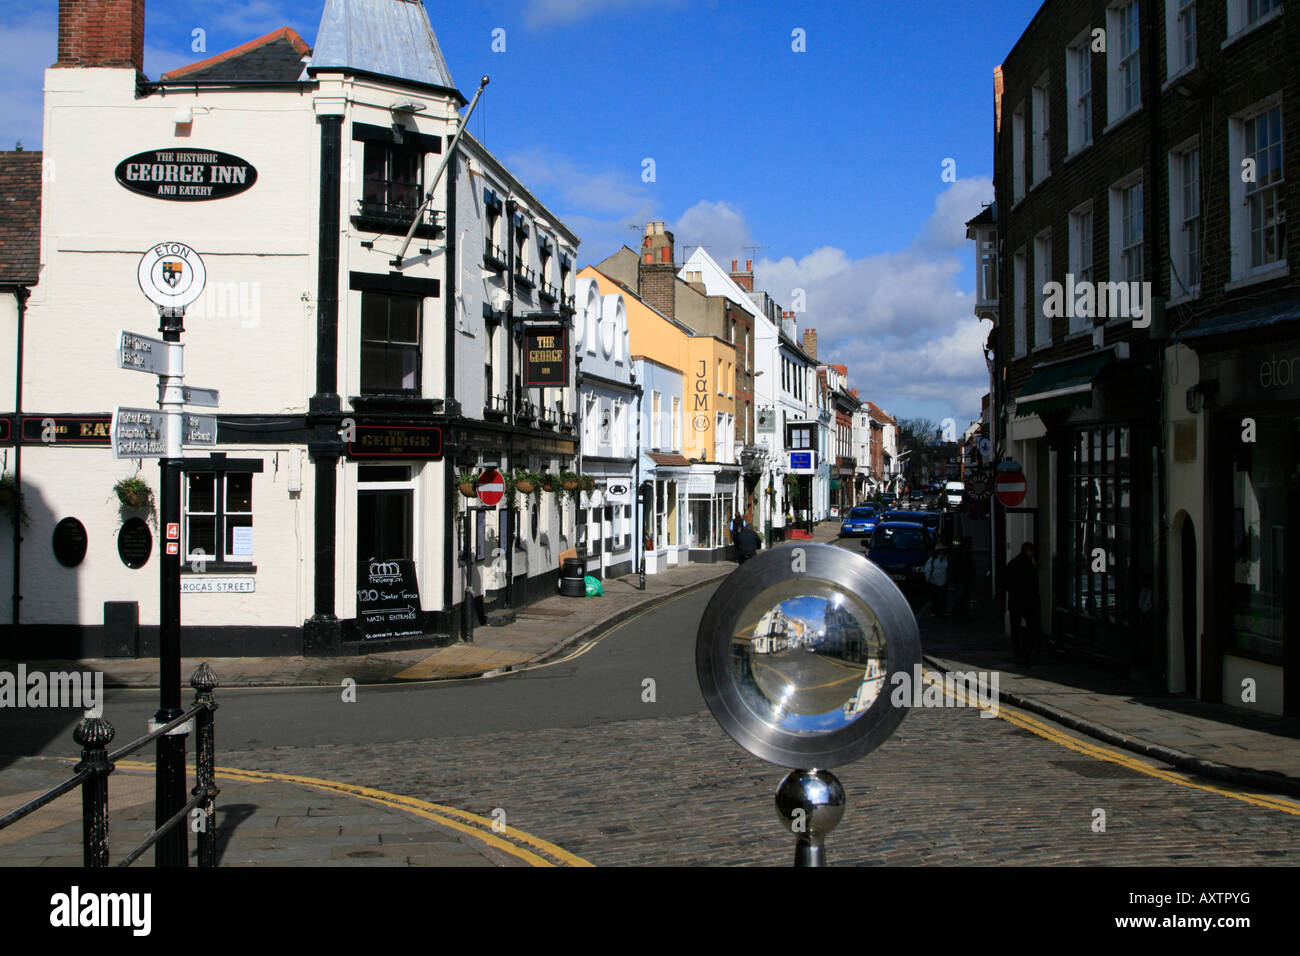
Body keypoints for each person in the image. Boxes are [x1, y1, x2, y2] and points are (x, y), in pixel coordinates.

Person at [1001, 542, 1041, 665]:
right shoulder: (1030, 567)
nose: (1033, 554)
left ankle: (1017, 652)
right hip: (1028, 601)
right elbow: (1035, 586)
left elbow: (1004, 583)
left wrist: (1014, 590)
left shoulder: (1012, 564)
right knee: (1032, 626)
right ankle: (1026, 652)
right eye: (1032, 551)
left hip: (1014, 601)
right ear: (1028, 551)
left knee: (1015, 628)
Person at [949, 535, 975, 620]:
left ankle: (959, 614)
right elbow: (961, 566)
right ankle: (959, 614)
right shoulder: (963, 552)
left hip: (961, 577)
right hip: (962, 578)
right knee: (962, 596)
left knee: (962, 596)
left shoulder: (959, 551)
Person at [923, 544, 950, 617]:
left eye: (942, 550)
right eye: (940, 550)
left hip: (943, 580)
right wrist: (928, 578)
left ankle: (943, 612)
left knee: (943, 597)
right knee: (934, 597)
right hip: (934, 581)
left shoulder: (947, 558)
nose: (942, 551)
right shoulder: (932, 559)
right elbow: (927, 569)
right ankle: (935, 611)